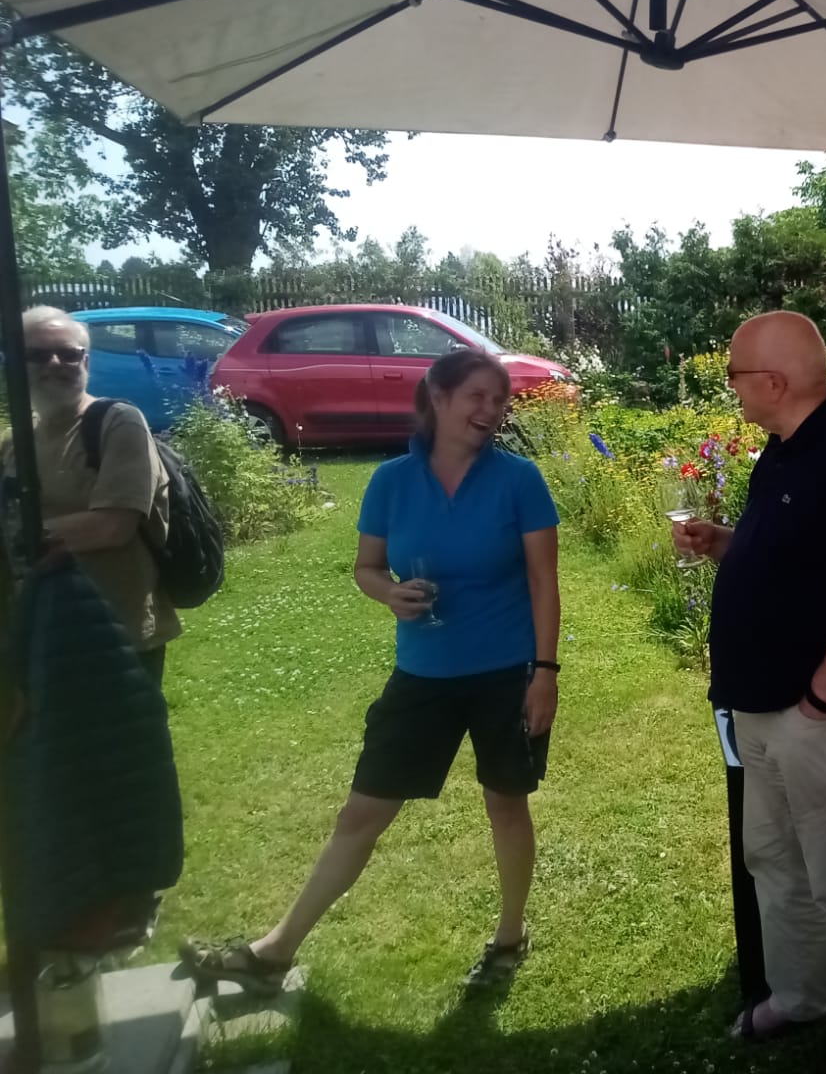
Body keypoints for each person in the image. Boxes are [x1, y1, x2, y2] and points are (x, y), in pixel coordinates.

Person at [181, 348, 562, 993]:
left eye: (499, 400)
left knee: (506, 803)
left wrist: (545, 671)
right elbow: (367, 568)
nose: (491, 410)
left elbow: (544, 582)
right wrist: (388, 593)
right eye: (477, 396)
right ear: (437, 397)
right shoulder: (391, 481)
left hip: (507, 671)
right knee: (362, 813)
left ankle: (509, 937)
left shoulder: (519, 479)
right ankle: (274, 952)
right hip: (424, 673)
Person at [674, 311, 826, 1074]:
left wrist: (820, 701)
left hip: (817, 715)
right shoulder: (781, 451)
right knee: (774, 860)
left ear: (773, 382)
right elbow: (792, 560)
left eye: (735, 374)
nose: (731, 387)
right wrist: (724, 544)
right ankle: (801, 995)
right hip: (760, 704)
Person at [1, 305, 178, 683]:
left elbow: (112, 526)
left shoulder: (117, 423)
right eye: (37, 355)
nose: (55, 363)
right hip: (37, 629)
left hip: (113, 630)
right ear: (15, 365)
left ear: (86, 361)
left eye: (68, 353)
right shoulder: (14, 442)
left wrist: (18, 535)